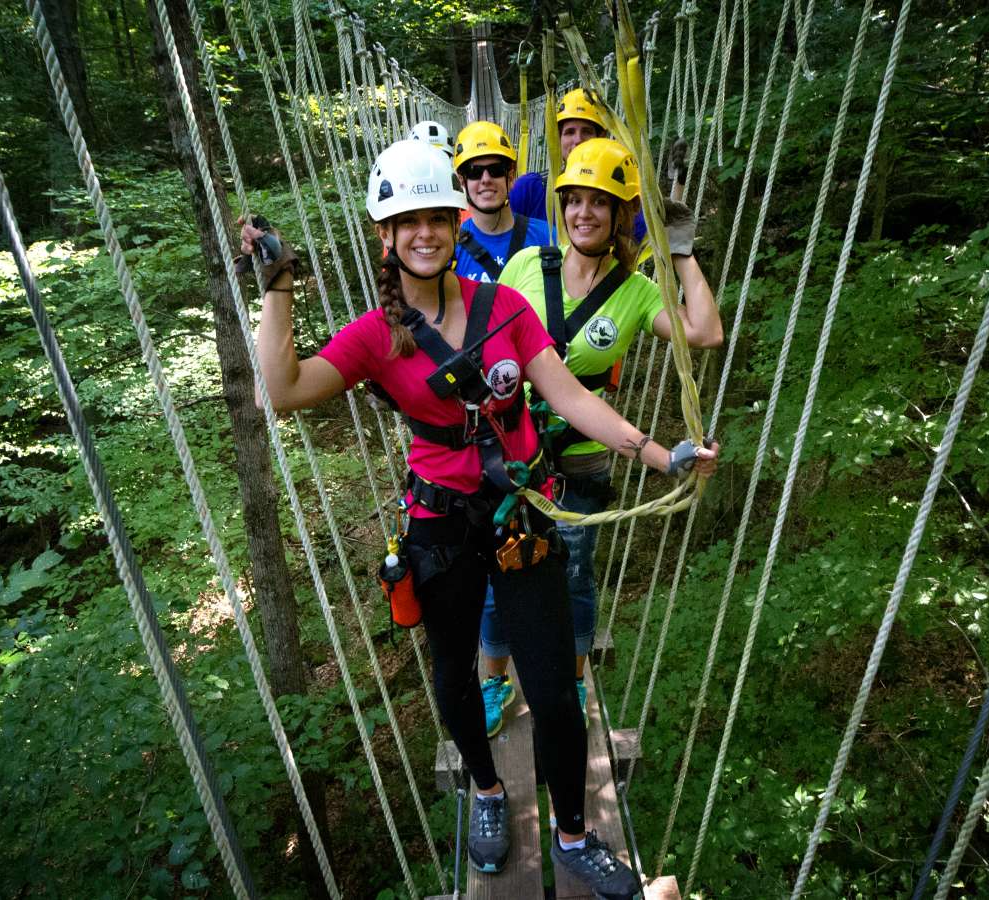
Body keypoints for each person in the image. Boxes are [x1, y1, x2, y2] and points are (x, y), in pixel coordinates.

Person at [245, 139, 717, 894]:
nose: (425, 233)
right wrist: (278, 286)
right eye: (408, 223)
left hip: (518, 516)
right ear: (387, 237)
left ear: (455, 223)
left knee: (556, 688)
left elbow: (568, 396)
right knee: (454, 678)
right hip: (439, 528)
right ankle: (489, 793)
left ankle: (571, 832)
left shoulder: (507, 307)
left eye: (436, 217)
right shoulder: (377, 336)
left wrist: (659, 455)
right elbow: (287, 388)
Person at [478, 138, 722, 735]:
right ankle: (493, 681)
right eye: (575, 200)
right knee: (498, 571)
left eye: (599, 202)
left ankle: (574, 677)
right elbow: (490, 344)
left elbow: (704, 332)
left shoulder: (636, 292)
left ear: (620, 215)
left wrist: (682, 253)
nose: (583, 212)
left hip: (585, 459)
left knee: (575, 570)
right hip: (514, 454)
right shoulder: (528, 266)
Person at [509, 88, 649, 243]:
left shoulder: (618, 194)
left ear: (601, 138)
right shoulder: (531, 190)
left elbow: (649, 240)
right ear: (558, 139)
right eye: (569, 132)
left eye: (587, 132)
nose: (578, 140)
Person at [451, 120, 550, 282]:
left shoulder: (548, 238)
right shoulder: (451, 250)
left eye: (495, 170)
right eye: (474, 172)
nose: (486, 179)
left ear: (510, 176)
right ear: (462, 181)